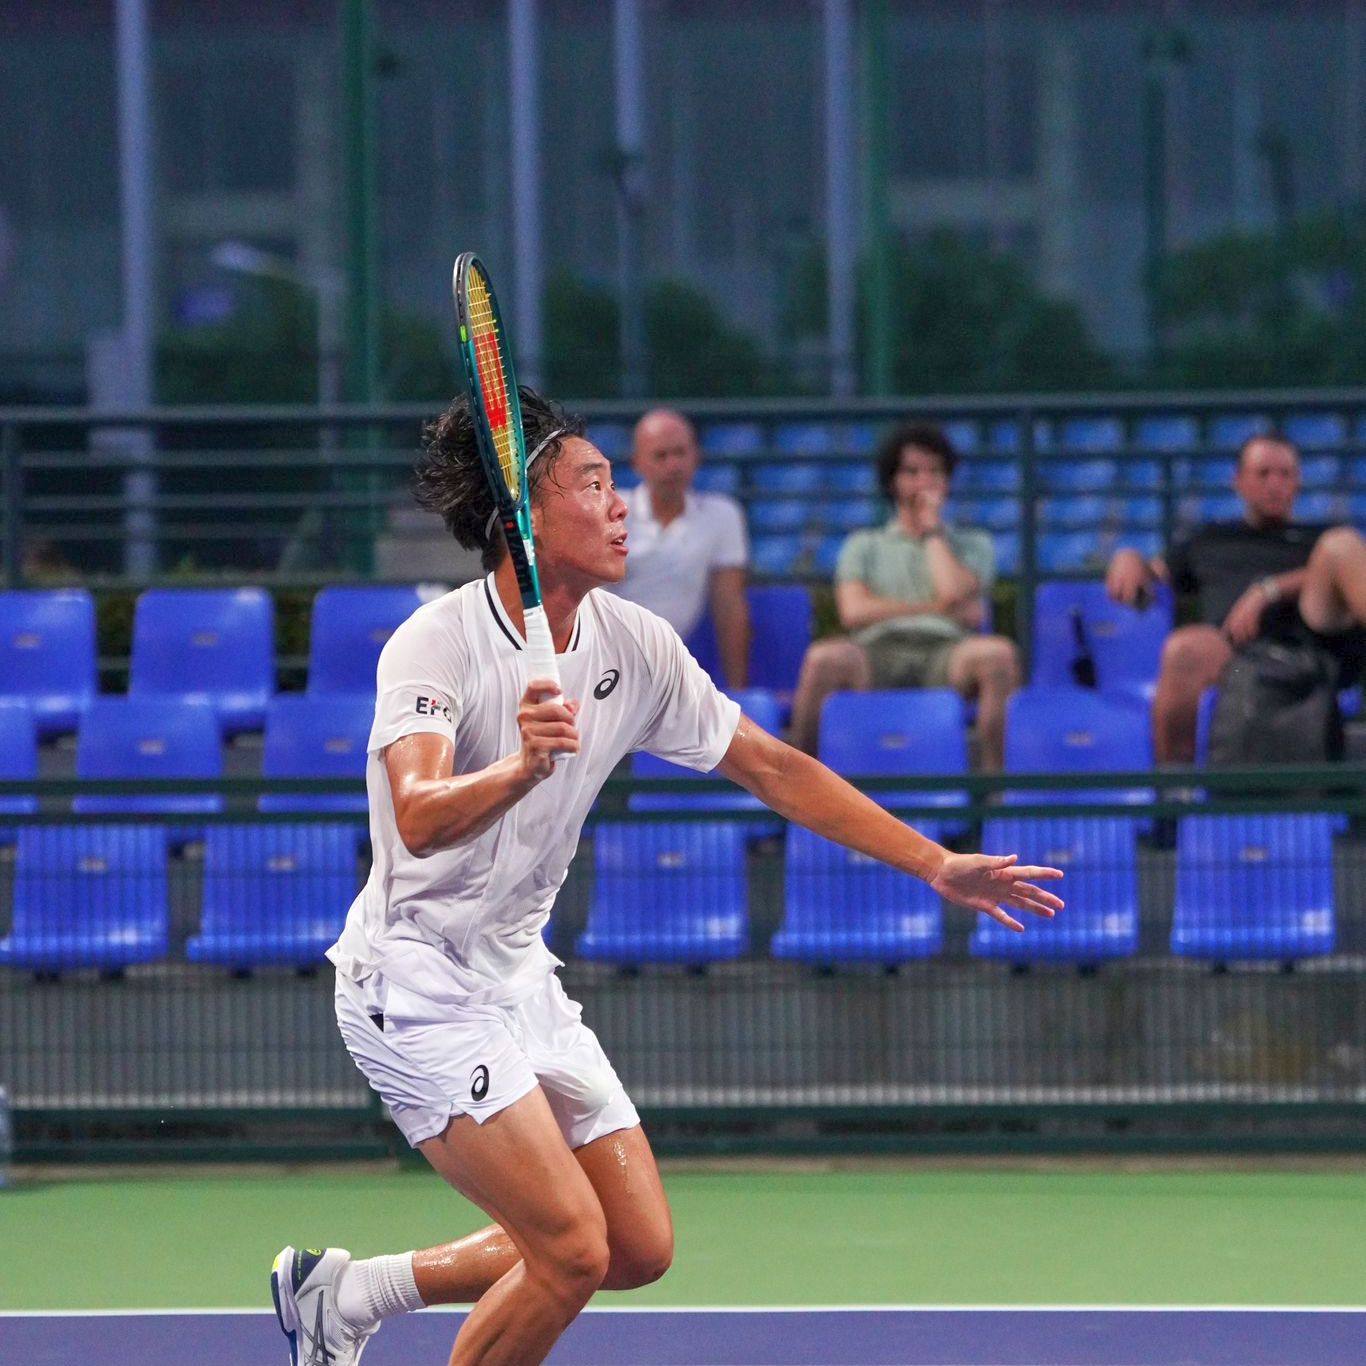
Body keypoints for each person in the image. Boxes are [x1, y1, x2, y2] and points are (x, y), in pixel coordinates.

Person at [269, 387, 1064, 1366]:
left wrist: (934, 860)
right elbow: (421, 816)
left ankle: (348, 1294)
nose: (622, 506)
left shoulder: (632, 645)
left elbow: (773, 766)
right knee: (567, 1251)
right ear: (522, 513)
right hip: (415, 984)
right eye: (595, 484)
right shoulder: (435, 642)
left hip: (516, 975)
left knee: (633, 1246)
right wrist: (520, 765)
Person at [787, 422, 1020, 768]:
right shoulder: (863, 544)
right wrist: (934, 608)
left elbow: (960, 600)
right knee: (823, 660)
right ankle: (797, 790)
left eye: (935, 471)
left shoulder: (974, 544)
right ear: (893, 481)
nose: (924, 482)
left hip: (946, 654)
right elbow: (853, 613)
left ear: (948, 480)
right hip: (874, 653)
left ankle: (996, 792)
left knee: (998, 656)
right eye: (912, 472)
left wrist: (931, 532)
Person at [1105, 433, 1338, 765]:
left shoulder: (1322, 542)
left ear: (1298, 483)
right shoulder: (1209, 539)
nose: (1275, 484)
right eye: (1263, 474)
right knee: (1186, 650)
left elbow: (1342, 576)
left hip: (1300, 662)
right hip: (1233, 660)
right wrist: (1127, 557)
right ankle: (1176, 791)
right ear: (1238, 482)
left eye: (1285, 474)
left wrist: (1269, 589)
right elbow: (1151, 575)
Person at [606, 407, 751, 687]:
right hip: (608, 661)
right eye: (661, 455)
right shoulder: (610, 511)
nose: (673, 465)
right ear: (637, 462)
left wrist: (738, 691)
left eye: (680, 453)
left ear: (696, 456)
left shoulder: (723, 515)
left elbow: (729, 606)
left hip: (672, 669)